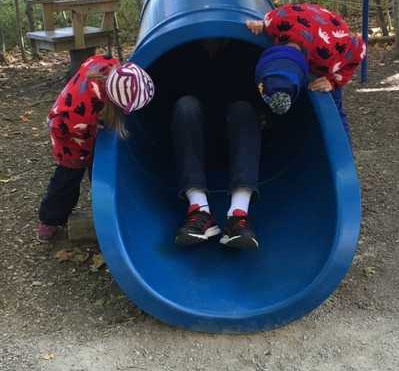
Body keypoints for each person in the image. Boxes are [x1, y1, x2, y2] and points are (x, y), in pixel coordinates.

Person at [151, 40, 262, 250]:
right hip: (190, 145)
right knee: (186, 105)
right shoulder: (178, 50)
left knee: (243, 109)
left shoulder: (245, 49)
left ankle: (238, 215)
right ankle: (199, 210)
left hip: (237, 144)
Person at [37, 55, 155, 242]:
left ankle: (106, 205)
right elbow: (67, 127)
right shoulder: (80, 109)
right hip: (68, 135)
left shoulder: (111, 67)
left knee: (98, 168)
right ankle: (50, 219)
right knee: (68, 177)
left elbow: (91, 60)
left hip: (86, 124)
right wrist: (90, 151)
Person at [247, 2, 366, 136]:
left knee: (334, 109)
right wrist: (262, 25)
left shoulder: (327, 57)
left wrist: (333, 81)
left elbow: (360, 48)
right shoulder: (273, 21)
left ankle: (345, 153)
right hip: (304, 16)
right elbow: (275, 17)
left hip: (330, 31)